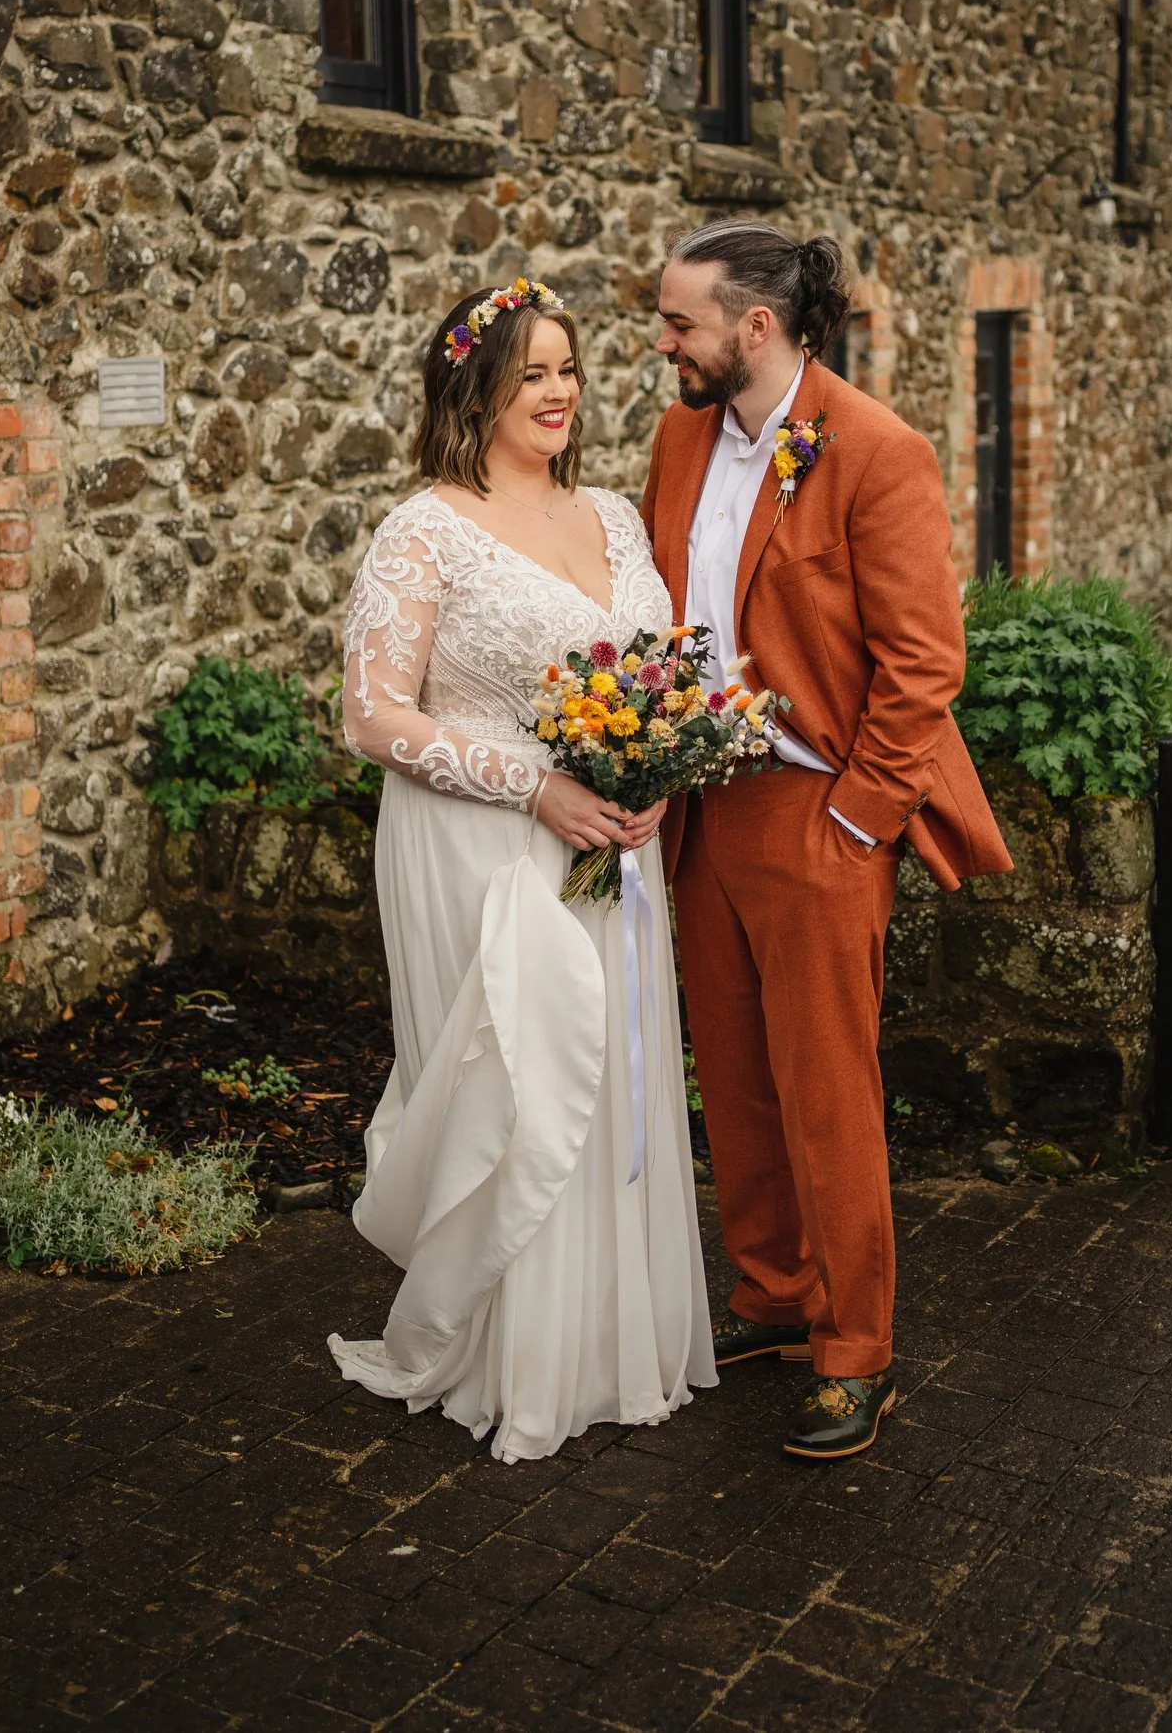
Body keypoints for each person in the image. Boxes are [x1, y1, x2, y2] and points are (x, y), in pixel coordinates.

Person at [641, 221, 1012, 1461]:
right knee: (735, 1080)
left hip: (817, 815)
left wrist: (855, 822)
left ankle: (857, 1349)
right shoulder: (682, 433)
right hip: (699, 810)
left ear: (757, 325)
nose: (663, 342)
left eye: (680, 321)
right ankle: (773, 1297)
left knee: (827, 1091)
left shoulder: (875, 452)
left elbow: (924, 666)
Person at [327, 276, 715, 1462]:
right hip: (482, 843)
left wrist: (654, 771)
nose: (557, 392)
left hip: (610, 845)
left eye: (567, 368)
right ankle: (505, 1352)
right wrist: (534, 784)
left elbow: (653, 673)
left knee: (605, 1085)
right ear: (475, 387)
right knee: (518, 1087)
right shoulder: (426, 528)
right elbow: (371, 718)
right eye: (529, 372)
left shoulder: (610, 513)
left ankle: (605, 1343)